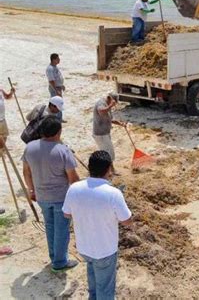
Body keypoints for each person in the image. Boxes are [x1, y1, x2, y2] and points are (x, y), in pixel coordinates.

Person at [63, 150, 132, 300]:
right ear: (109, 169)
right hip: (105, 249)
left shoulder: (74, 188)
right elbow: (126, 220)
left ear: (89, 167)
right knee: (106, 288)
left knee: (93, 274)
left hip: (84, 247)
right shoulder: (113, 193)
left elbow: (66, 214)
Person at [22, 116, 80, 272]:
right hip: (61, 198)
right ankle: (59, 262)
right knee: (61, 229)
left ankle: (54, 256)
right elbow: (73, 178)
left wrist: (31, 190)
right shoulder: (63, 151)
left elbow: (26, 172)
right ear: (59, 132)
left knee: (50, 226)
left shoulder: (30, 148)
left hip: (41, 196)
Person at [92, 93, 126, 175]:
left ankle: (109, 170)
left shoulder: (107, 104)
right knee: (108, 153)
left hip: (105, 133)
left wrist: (120, 123)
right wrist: (111, 105)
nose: (115, 104)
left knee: (107, 152)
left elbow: (110, 119)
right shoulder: (101, 103)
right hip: (100, 134)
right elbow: (101, 111)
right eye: (115, 102)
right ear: (110, 98)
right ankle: (111, 171)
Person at [46, 54, 65, 122]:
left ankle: (59, 118)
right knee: (55, 104)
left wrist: (61, 85)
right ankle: (55, 119)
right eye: (57, 59)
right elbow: (51, 81)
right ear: (53, 59)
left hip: (58, 87)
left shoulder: (55, 67)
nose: (59, 60)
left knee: (59, 103)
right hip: (55, 89)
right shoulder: (50, 69)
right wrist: (56, 90)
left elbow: (57, 78)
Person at [0, 86, 14, 152]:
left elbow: (7, 97)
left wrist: (11, 92)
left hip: (3, 119)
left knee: (4, 136)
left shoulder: (1, 90)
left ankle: (1, 150)